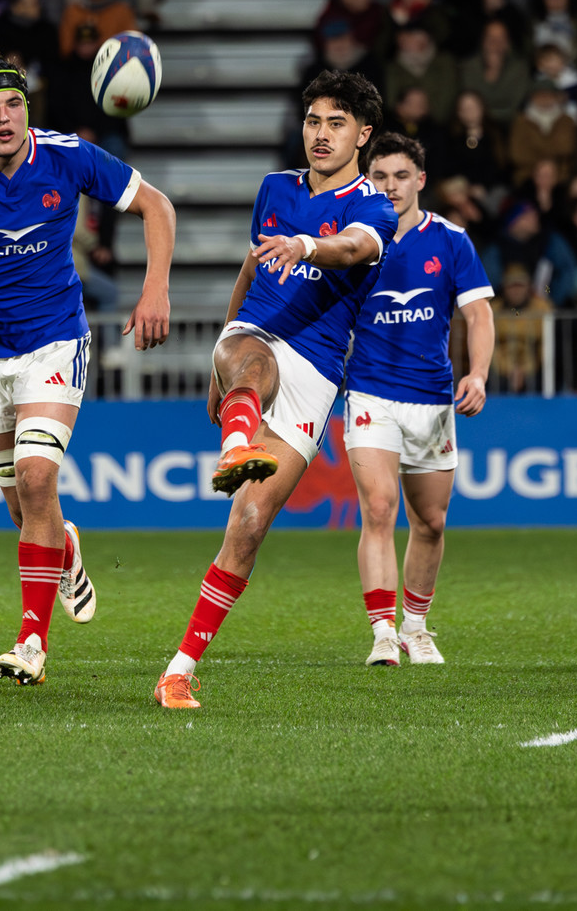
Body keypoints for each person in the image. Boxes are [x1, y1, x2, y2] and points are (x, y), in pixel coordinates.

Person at [0, 55, 175, 688]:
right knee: (20, 503)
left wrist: (155, 290)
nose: (4, 118)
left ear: (27, 108)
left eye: (14, 104)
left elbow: (157, 206)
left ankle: (31, 641)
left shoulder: (68, 156)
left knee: (36, 480)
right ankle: (65, 547)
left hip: (55, 342)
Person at [153, 70, 397, 709]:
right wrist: (223, 359)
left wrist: (307, 244)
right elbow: (250, 267)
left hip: (316, 368)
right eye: (314, 121)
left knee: (250, 522)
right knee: (254, 362)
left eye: (337, 124)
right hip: (255, 335)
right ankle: (237, 443)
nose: (321, 134)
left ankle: (178, 670)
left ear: (363, 135)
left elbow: (353, 249)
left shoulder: (375, 207)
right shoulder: (274, 188)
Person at [345, 132, 493, 666]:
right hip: (370, 392)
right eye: (380, 176)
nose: (391, 186)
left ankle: (415, 626)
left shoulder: (451, 240)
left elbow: (478, 314)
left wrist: (478, 374)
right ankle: (383, 632)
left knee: (430, 522)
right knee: (379, 508)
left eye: (401, 176)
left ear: (420, 181)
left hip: (431, 399)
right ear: (367, 182)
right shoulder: (353, 242)